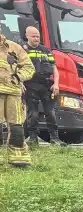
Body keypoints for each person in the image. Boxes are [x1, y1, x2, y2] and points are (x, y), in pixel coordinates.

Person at [0, 27, 34, 168]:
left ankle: (19, 160)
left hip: (13, 94)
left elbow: (29, 67)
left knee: (16, 128)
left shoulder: (14, 47)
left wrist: (19, 76)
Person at [22, 25, 60, 146]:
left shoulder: (46, 50)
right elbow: (17, 68)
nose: (36, 38)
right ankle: (33, 139)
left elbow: (55, 68)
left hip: (46, 85)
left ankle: (55, 139)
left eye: (37, 36)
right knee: (33, 113)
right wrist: (20, 84)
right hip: (30, 85)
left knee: (50, 112)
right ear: (27, 36)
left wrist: (56, 84)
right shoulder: (23, 50)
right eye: (33, 36)